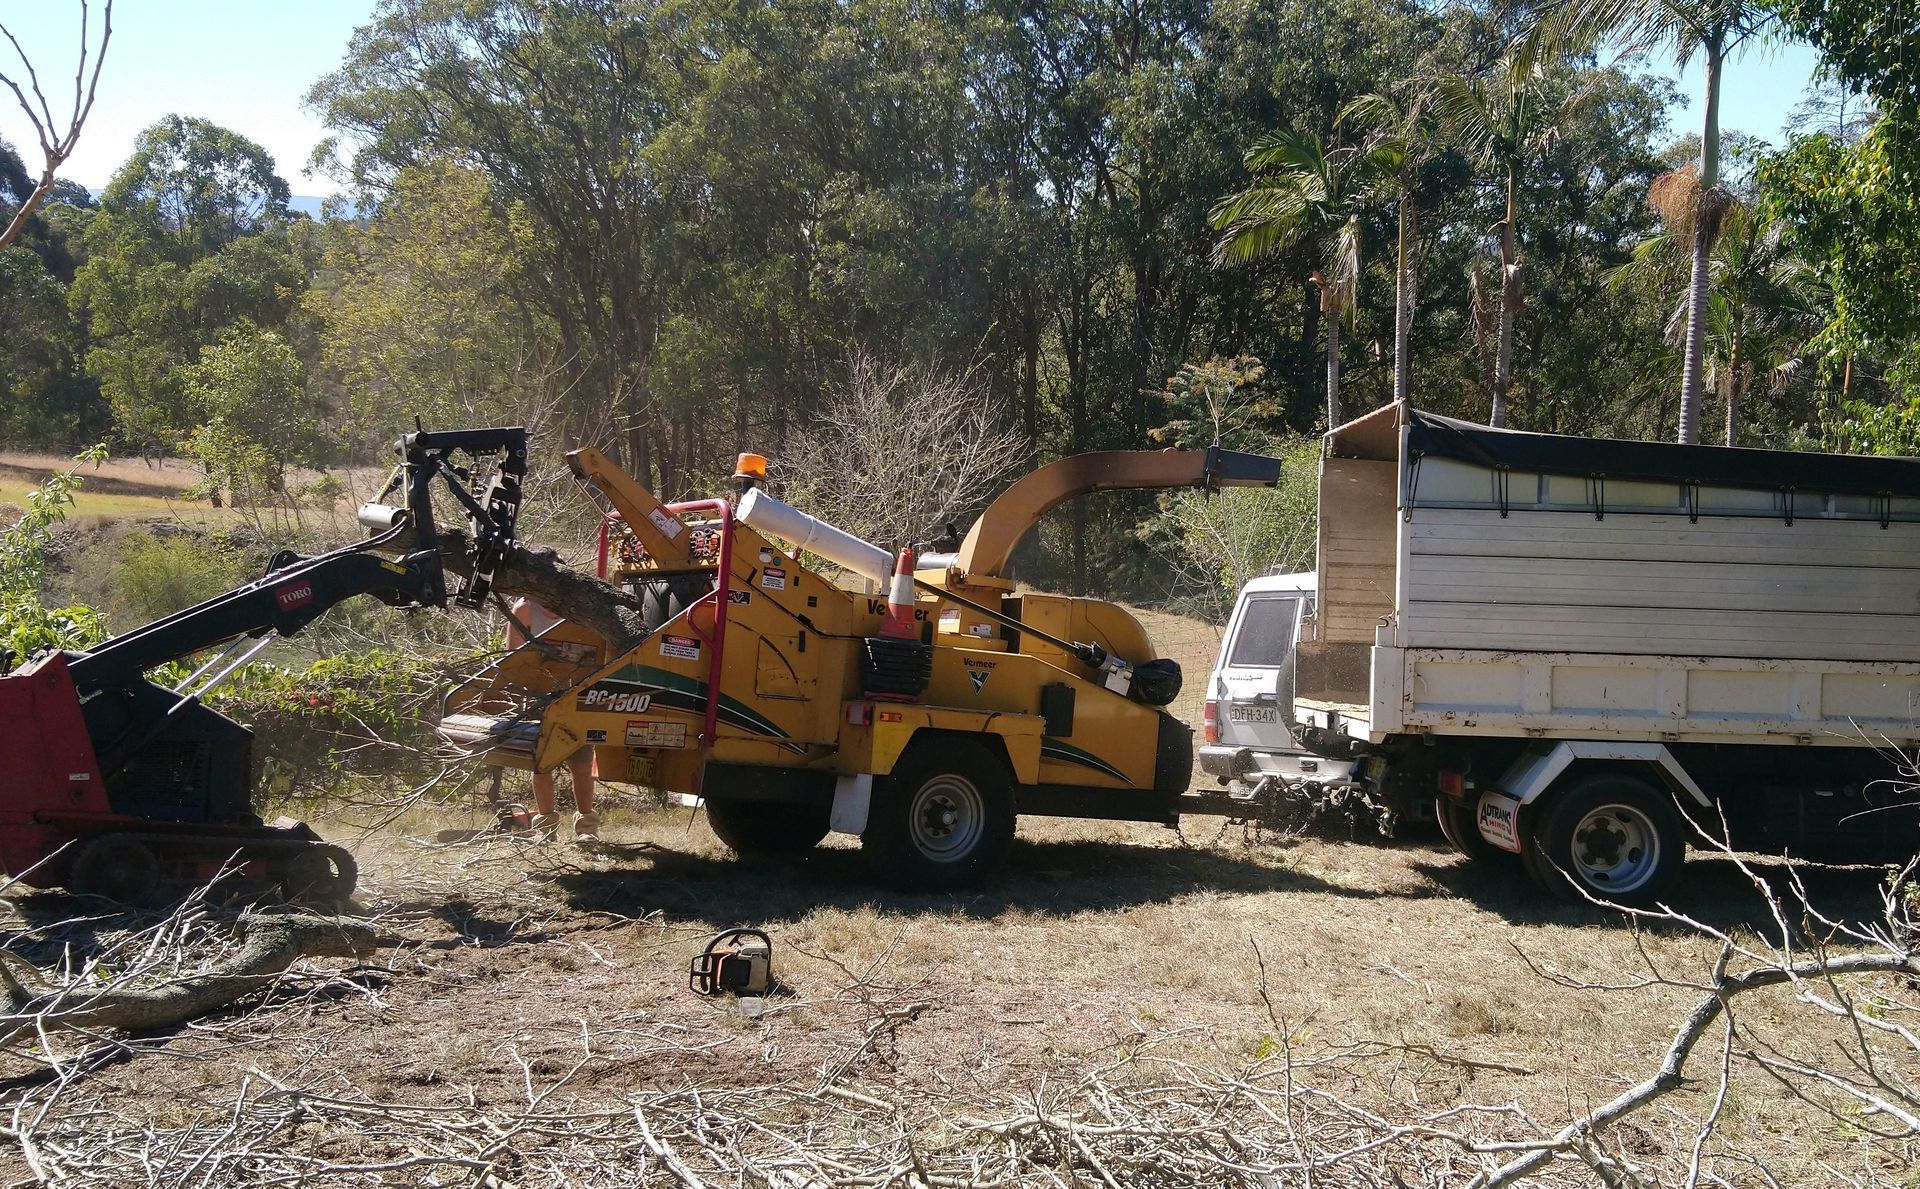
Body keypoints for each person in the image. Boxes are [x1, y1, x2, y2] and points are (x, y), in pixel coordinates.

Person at [506, 596, 599, 843]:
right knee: (543, 763)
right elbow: (512, 660)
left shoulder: (580, 607)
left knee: (581, 763)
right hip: (539, 698)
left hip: (576, 695)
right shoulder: (525, 609)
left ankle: (587, 830)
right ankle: (546, 830)